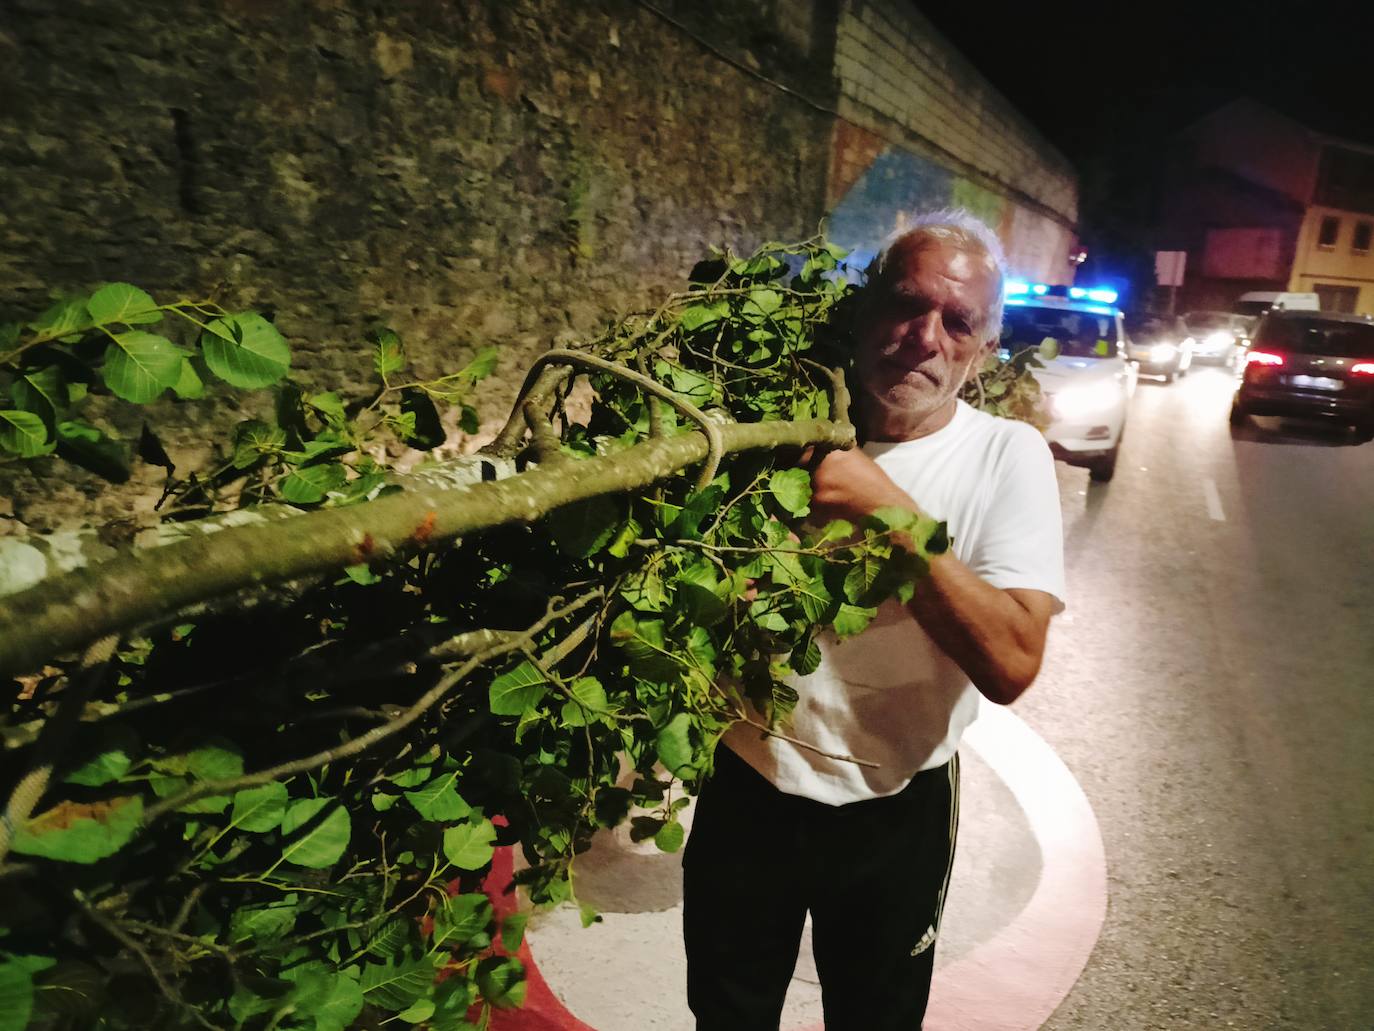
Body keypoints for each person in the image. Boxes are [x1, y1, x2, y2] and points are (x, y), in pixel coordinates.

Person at [682, 209, 1067, 1029]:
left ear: (985, 350)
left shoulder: (1007, 456)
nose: (925, 337)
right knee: (726, 1012)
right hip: (749, 784)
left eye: (957, 321)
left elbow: (1012, 661)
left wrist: (886, 511)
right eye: (905, 304)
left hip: (898, 803)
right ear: (864, 311)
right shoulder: (762, 428)